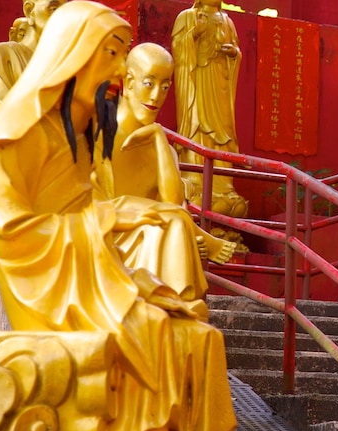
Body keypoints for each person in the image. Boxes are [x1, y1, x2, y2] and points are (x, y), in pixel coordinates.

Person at [0, 0, 235, 431]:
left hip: (92, 270)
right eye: (111, 54)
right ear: (76, 54)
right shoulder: (20, 133)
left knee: (195, 332)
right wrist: (109, 218)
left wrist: (124, 250)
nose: (118, 68)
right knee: (149, 325)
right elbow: (6, 224)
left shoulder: (83, 133)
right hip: (47, 283)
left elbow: (101, 211)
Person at [94, 42, 237, 303]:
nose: (156, 96)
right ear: (128, 81)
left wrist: (159, 139)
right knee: (170, 224)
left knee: (171, 225)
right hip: (106, 232)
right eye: (149, 83)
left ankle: (178, 308)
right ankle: (175, 304)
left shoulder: (163, 148)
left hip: (153, 232)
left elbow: (173, 204)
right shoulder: (99, 130)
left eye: (165, 87)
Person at [172, 0, 248, 217]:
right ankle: (195, 186)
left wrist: (232, 54)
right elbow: (179, 52)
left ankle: (224, 190)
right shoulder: (187, 17)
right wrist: (193, 34)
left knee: (222, 135)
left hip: (220, 89)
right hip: (196, 89)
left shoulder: (228, 21)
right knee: (198, 133)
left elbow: (237, 53)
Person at [0, 0, 67, 107]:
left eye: (65, 10)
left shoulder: (61, 62)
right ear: (29, 11)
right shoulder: (2, 54)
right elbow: (5, 108)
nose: (62, 17)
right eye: (53, 9)